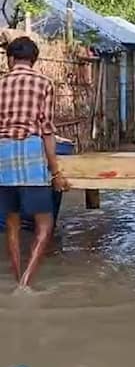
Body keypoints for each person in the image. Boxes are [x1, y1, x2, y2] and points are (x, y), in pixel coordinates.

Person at [0, 36, 69, 289]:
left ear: (10, 59)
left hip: (3, 157)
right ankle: (26, 282)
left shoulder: (1, 84)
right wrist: (56, 172)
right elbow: (47, 131)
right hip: (31, 154)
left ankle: (18, 277)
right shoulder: (44, 84)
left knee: (12, 221)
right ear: (35, 59)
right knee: (45, 223)